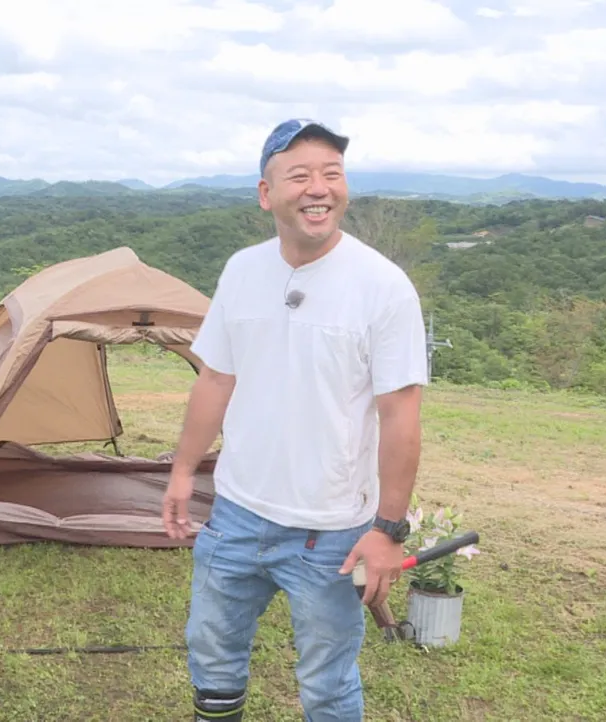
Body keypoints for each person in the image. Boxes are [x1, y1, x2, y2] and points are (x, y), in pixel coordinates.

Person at [162, 118, 429, 722]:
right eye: (300, 175)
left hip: (331, 529)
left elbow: (400, 414)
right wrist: (183, 473)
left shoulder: (384, 287)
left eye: (332, 174)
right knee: (212, 653)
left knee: (328, 683)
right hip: (235, 512)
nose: (319, 188)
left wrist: (387, 528)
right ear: (266, 194)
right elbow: (216, 379)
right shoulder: (242, 270)